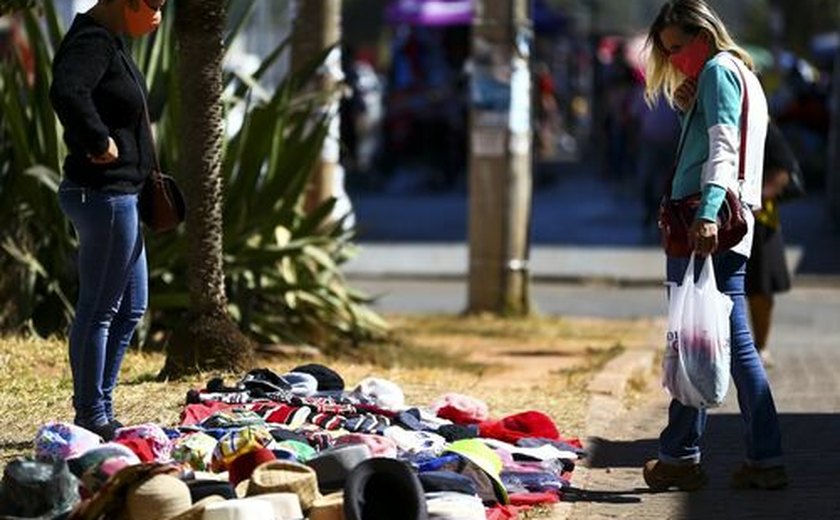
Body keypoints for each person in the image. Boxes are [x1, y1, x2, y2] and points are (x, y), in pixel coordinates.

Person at [641, 0, 788, 491]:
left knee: (695, 339)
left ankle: (684, 456)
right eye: (668, 52)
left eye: (679, 48)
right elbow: (724, 143)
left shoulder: (718, 72)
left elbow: (724, 148)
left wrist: (705, 214)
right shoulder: (740, 73)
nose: (676, 59)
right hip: (730, 218)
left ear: (703, 34)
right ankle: (747, 457)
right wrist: (690, 110)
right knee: (716, 340)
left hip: (706, 221)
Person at [49, 0, 164, 440]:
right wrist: (98, 141)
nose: (158, 14)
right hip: (102, 195)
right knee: (99, 308)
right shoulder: (92, 41)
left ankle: (101, 406)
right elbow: (66, 91)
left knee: (131, 305)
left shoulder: (111, 42)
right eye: (153, 4)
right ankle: (92, 414)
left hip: (122, 197)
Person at [746, 122, 803, 368]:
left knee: (761, 288)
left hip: (761, 221)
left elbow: (784, 168)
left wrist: (754, 198)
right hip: (734, 217)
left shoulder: (762, 124)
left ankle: (761, 346)